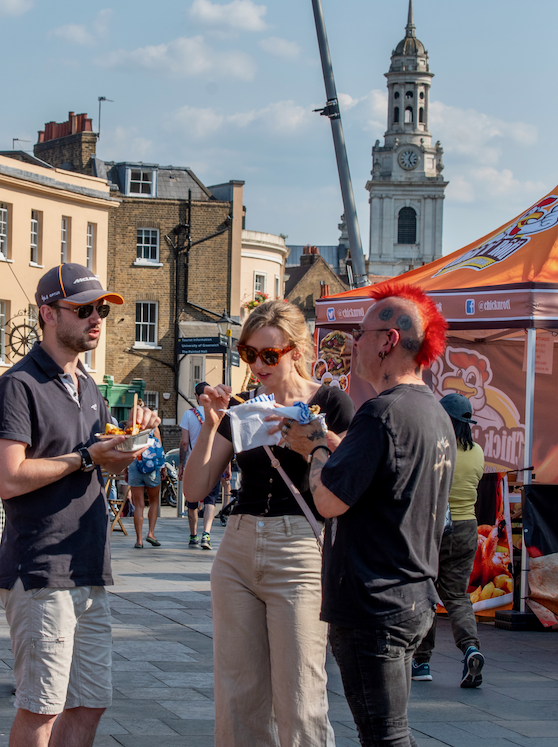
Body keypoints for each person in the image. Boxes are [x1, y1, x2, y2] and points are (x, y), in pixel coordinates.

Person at [0, 263, 159, 747]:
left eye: (100, 309)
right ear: (48, 314)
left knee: (89, 702)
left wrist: (130, 444)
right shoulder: (18, 385)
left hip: (88, 564)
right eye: (83, 310)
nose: (96, 318)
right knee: (41, 707)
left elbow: (102, 467)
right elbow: (7, 478)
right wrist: (86, 457)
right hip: (41, 569)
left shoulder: (87, 385)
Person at [183, 299, 354, 747]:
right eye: (248, 353)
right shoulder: (243, 407)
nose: (257, 365)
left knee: (301, 697)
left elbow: (348, 484)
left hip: (299, 548)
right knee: (238, 698)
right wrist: (210, 426)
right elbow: (194, 489)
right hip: (237, 547)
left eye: (269, 355)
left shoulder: (331, 402)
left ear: (296, 351)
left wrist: (314, 443)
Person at [298, 283, 454, 747]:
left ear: (388, 340)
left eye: (359, 334)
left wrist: (314, 447)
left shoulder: (381, 413)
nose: (353, 344)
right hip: (412, 595)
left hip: (373, 603)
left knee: (385, 737)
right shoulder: (433, 411)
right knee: (390, 733)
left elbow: (328, 501)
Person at [413, 393, 486, 687]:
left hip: (434, 526)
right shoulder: (477, 452)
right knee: (457, 596)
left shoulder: (435, 449)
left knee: (427, 592)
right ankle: (470, 648)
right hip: (467, 527)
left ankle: (421, 661)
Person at [178, 383, 219, 550]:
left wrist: (181, 464)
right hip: (213, 462)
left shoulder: (189, 415)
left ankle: (193, 535)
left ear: (196, 396)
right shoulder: (217, 413)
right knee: (210, 500)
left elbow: (184, 442)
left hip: (193, 464)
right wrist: (227, 466)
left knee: (192, 500)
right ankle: (206, 534)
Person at [128, 426, 165, 548]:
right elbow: (159, 448)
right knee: (154, 501)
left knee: (139, 505)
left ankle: (139, 540)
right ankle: (151, 533)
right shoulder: (153, 428)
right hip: (151, 467)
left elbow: (127, 449)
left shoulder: (132, 426)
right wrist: (163, 467)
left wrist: (125, 470)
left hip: (134, 466)